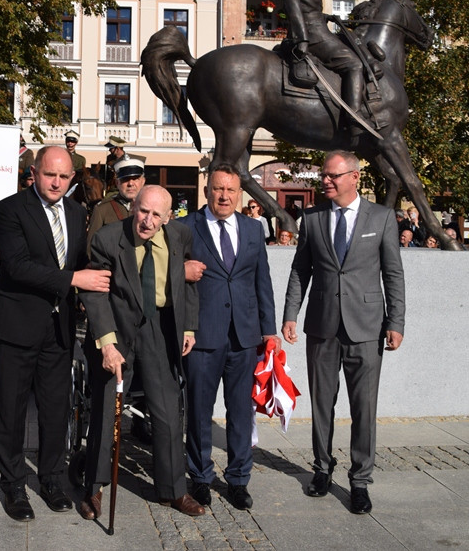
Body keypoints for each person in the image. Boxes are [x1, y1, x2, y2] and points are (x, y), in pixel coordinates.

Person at [0, 146, 111, 521]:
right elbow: (18, 266)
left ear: (72, 178)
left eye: (64, 176)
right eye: (49, 174)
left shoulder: (76, 212)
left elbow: (81, 262)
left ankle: (52, 480)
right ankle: (13, 486)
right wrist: (74, 279)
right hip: (17, 325)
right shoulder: (9, 209)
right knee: (12, 411)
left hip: (58, 330)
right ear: (35, 173)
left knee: (56, 411)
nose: (56, 182)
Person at [282, 150, 405, 515]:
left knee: (364, 408)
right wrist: (291, 313)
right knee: (321, 404)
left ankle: (360, 481)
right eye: (324, 175)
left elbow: (393, 274)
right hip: (322, 326)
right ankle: (322, 469)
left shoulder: (381, 218)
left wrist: (396, 321)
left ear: (354, 176)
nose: (326, 181)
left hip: (366, 328)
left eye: (333, 176)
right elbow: (299, 270)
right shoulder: (313, 218)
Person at [79, 185, 205, 519]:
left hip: (159, 329)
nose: (146, 221)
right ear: (134, 207)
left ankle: (174, 490)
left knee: (166, 412)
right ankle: (94, 489)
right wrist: (106, 343)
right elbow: (95, 292)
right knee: (108, 411)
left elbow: (187, 284)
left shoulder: (180, 236)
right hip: (116, 329)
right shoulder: (108, 238)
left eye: (155, 215)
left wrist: (188, 327)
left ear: (167, 218)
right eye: (142, 211)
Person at [180, 165, 277, 511]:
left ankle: (238, 480)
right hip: (202, 337)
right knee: (200, 411)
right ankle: (201, 477)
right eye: (218, 189)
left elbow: (261, 281)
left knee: (240, 412)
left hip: (244, 337)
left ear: (240, 195)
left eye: (231, 191)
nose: (224, 196)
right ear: (207, 190)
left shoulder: (253, 229)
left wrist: (270, 331)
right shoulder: (185, 227)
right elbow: (166, 271)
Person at [283, 0, 365, 129]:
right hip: (312, 33)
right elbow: (292, 2)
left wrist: (325, 16)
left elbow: (305, 5)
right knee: (354, 64)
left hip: (315, 26)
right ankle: (353, 117)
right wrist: (302, 38)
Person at [87, 156, 146, 251]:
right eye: (125, 179)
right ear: (117, 182)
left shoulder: (151, 209)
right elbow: (91, 247)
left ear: (143, 181)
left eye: (135, 179)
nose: (130, 183)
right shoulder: (102, 210)